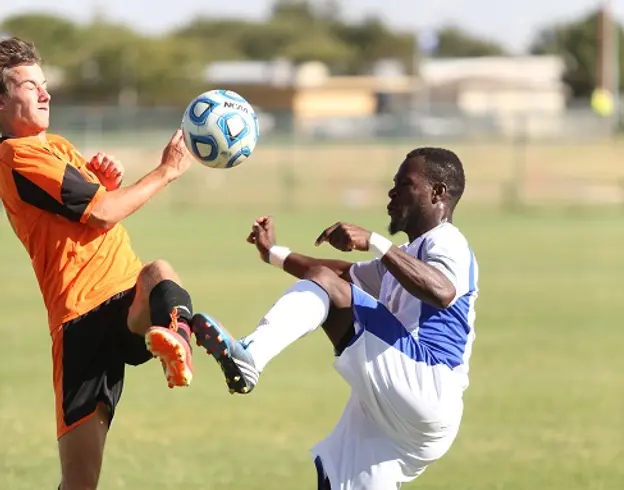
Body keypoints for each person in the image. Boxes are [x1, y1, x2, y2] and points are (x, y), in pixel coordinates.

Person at [191, 147, 479, 489]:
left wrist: (374, 241)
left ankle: (251, 356)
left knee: (327, 286)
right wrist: (273, 253)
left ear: (438, 193)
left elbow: (442, 291)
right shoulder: (403, 257)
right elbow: (338, 273)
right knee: (338, 480)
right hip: (403, 414)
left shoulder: (447, 241)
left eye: (404, 184)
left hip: (427, 384)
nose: (392, 192)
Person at [0, 37, 206, 490]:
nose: (45, 93)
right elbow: (103, 212)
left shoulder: (55, 145)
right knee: (80, 483)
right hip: (79, 323)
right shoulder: (17, 155)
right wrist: (165, 171)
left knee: (158, 272)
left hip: (125, 299)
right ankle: (175, 330)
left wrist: (106, 181)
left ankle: (178, 338)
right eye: (30, 85)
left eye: (45, 84)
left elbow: (94, 205)